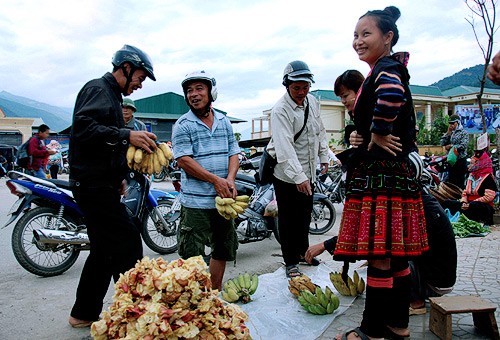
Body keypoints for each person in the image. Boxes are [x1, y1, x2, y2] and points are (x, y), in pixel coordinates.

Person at [331, 7, 428, 339]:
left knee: (380, 257)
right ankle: (398, 325)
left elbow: (391, 97)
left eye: (366, 34)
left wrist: (378, 131)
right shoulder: (383, 68)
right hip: (394, 178)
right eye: (355, 35)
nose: (358, 41)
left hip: (382, 178)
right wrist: (359, 134)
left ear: (388, 37)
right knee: (394, 255)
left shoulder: (386, 69)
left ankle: (371, 331)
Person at [68, 44, 157, 328]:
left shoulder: (113, 97)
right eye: (140, 78)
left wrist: (117, 176)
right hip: (91, 185)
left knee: (103, 249)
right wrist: (126, 135)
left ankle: (82, 314)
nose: (140, 85)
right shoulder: (97, 89)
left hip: (101, 184)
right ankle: (135, 312)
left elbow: (104, 145)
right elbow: (82, 130)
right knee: (128, 240)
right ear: (126, 67)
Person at [172, 70, 240, 291]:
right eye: (189, 90)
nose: (194, 94)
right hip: (196, 203)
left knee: (222, 248)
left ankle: (215, 295)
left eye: (199, 89)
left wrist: (229, 179)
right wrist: (215, 181)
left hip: (224, 201)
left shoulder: (224, 121)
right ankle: (197, 300)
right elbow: (184, 160)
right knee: (193, 255)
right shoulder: (183, 125)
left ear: (211, 92)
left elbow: (233, 153)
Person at [267, 60, 329, 278]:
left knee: (304, 215)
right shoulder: (280, 110)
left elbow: (319, 131)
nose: (302, 92)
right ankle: (290, 261)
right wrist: (299, 177)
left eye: (305, 87)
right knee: (288, 219)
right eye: (296, 88)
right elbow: (285, 149)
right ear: (287, 86)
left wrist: (324, 157)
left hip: (308, 171)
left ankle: (304, 253)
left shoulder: (312, 101)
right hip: (286, 174)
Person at [441, 139, 497, 225]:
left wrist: (471, 203)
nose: (470, 165)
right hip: (468, 204)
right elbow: (465, 193)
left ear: (479, 164)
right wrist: (464, 202)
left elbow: (489, 197)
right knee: (447, 203)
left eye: (472, 163)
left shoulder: (488, 178)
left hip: (482, 206)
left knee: (474, 207)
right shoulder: (471, 176)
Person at [440, 114, 469, 189]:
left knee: (459, 181)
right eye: (450, 124)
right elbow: (442, 143)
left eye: (453, 123)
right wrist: (448, 133)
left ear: (458, 123)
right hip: (451, 161)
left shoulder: (463, 132)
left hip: (460, 160)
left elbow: (464, 145)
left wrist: (452, 146)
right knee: (451, 181)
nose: (451, 125)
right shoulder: (450, 133)